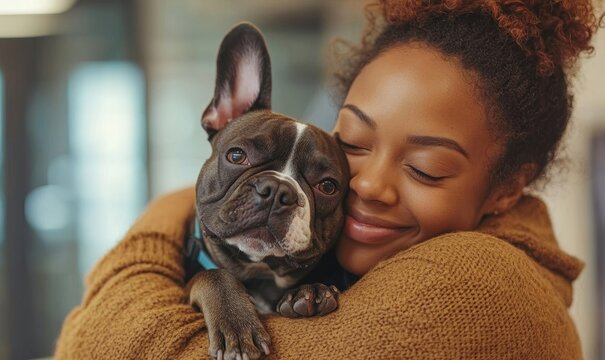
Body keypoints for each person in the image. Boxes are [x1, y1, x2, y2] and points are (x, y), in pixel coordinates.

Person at [55, 0, 602, 359]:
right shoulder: (348, 254)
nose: (367, 186)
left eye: (425, 168)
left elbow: (104, 344)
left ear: (506, 190)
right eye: (353, 145)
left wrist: (161, 221)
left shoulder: (480, 291)